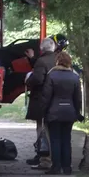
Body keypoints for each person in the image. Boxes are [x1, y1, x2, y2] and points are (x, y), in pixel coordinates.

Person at [42, 51, 84, 175]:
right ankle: (67, 167)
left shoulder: (51, 76)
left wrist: (44, 111)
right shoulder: (75, 77)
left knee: (55, 139)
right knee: (66, 139)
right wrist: (77, 112)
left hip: (54, 112)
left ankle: (56, 167)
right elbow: (78, 98)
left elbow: (46, 96)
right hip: (69, 112)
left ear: (57, 61)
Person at [25, 37, 58, 169]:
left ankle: (44, 158)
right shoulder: (58, 59)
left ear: (41, 49)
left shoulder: (41, 61)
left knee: (42, 129)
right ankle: (55, 159)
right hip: (57, 99)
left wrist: (28, 80)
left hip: (42, 99)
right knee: (54, 130)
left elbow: (38, 79)